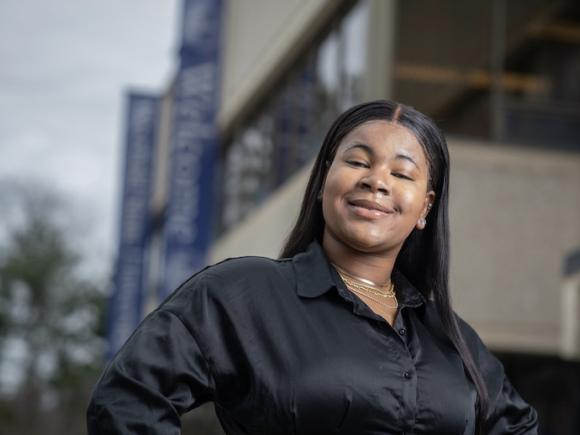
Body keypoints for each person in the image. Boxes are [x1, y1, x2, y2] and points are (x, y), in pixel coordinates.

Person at [87, 100, 539, 434]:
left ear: (425, 207)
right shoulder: (242, 293)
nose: (376, 180)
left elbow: (518, 427)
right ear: (325, 178)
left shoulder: (448, 336)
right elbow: (129, 400)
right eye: (358, 161)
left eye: (401, 174)